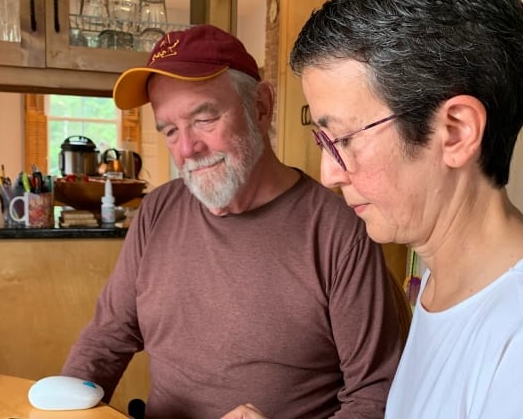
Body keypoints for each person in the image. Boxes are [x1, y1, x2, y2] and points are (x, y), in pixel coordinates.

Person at [222, 0, 523, 418]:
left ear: (456, 132)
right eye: (324, 142)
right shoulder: (441, 283)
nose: (329, 173)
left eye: (343, 139)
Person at [61, 24, 406, 419]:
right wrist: (67, 404)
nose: (187, 148)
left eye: (204, 119)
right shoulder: (156, 211)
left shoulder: (337, 232)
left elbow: (374, 395)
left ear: (260, 106)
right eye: (171, 131)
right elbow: (108, 337)